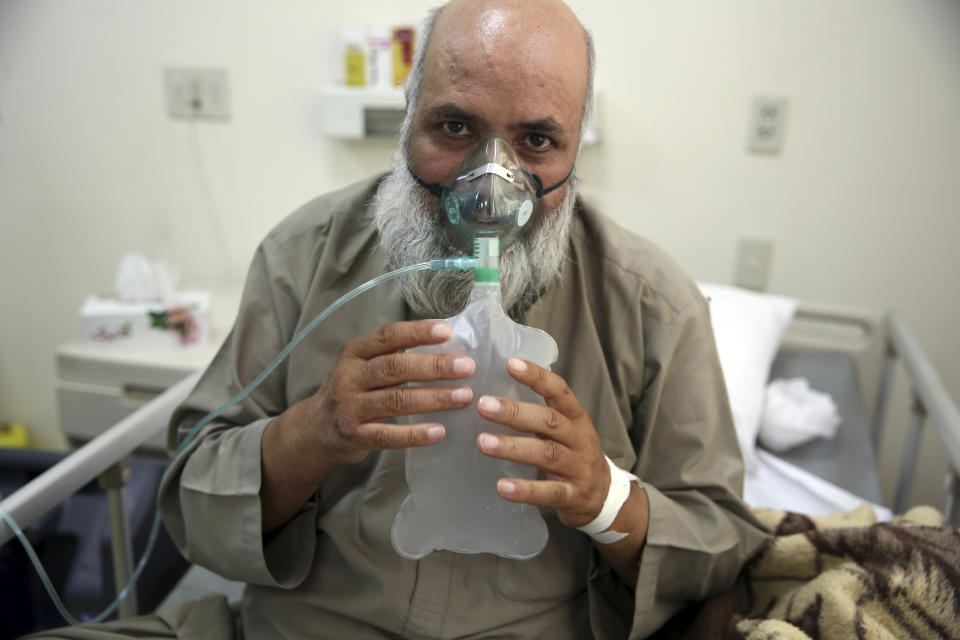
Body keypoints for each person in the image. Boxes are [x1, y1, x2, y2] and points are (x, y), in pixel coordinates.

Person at [26, 0, 768, 638]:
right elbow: (192, 501)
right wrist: (311, 433)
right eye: (453, 127)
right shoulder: (304, 256)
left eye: (536, 141)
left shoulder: (650, 304)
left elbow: (721, 544)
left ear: (575, 149)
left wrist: (603, 496)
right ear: (407, 116)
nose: (490, 182)